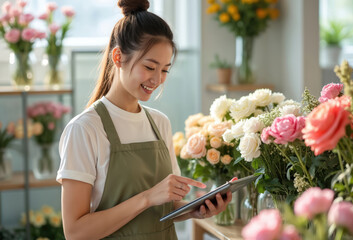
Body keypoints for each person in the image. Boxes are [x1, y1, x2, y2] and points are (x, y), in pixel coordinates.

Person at [57, 0, 232, 239]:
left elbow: (163, 209)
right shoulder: (85, 129)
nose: (158, 79)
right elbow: (76, 232)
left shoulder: (160, 123)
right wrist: (148, 197)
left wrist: (195, 210)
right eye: (150, 67)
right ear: (118, 57)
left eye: (165, 70)